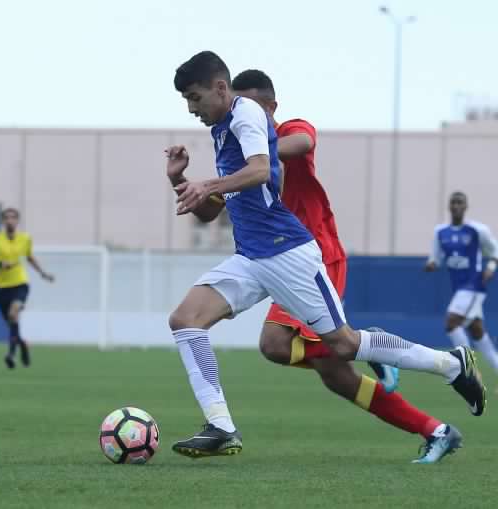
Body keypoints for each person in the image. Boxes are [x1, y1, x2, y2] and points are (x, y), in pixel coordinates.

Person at [165, 50, 485, 460]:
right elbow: (213, 210)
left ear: (221, 89)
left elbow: (262, 170)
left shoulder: (246, 113)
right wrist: (181, 180)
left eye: (195, 98)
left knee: (345, 344)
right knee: (186, 321)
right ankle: (221, 426)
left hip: (288, 254)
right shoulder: (224, 129)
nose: (192, 108)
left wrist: (211, 180)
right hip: (251, 258)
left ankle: (450, 365)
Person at [230, 69, 456, 463]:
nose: (244, 115)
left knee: (275, 343)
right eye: (239, 108)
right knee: (335, 373)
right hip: (280, 260)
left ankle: (369, 344)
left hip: (315, 255)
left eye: (252, 107)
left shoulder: (287, 133)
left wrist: (258, 152)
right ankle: (436, 430)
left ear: (271, 107)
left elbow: (301, 142)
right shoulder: (239, 154)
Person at [426, 191, 498, 377]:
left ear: (466, 207)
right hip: (459, 288)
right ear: (449, 206)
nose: (456, 206)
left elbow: (494, 250)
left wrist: (490, 266)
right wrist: (432, 263)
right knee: (478, 332)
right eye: (453, 202)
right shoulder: (441, 232)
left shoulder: (477, 230)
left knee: (451, 322)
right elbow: (437, 257)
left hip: (474, 286)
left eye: (460, 202)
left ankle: (470, 368)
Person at [0, 207, 54, 369]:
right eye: (6, 218)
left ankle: (10, 355)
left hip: (20, 284)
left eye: (13, 218)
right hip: (1, 288)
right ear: (2, 221)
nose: (10, 220)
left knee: (14, 314)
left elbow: (30, 256)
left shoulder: (25, 239)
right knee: (12, 325)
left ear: (18, 221)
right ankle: (23, 345)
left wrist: (43, 273)